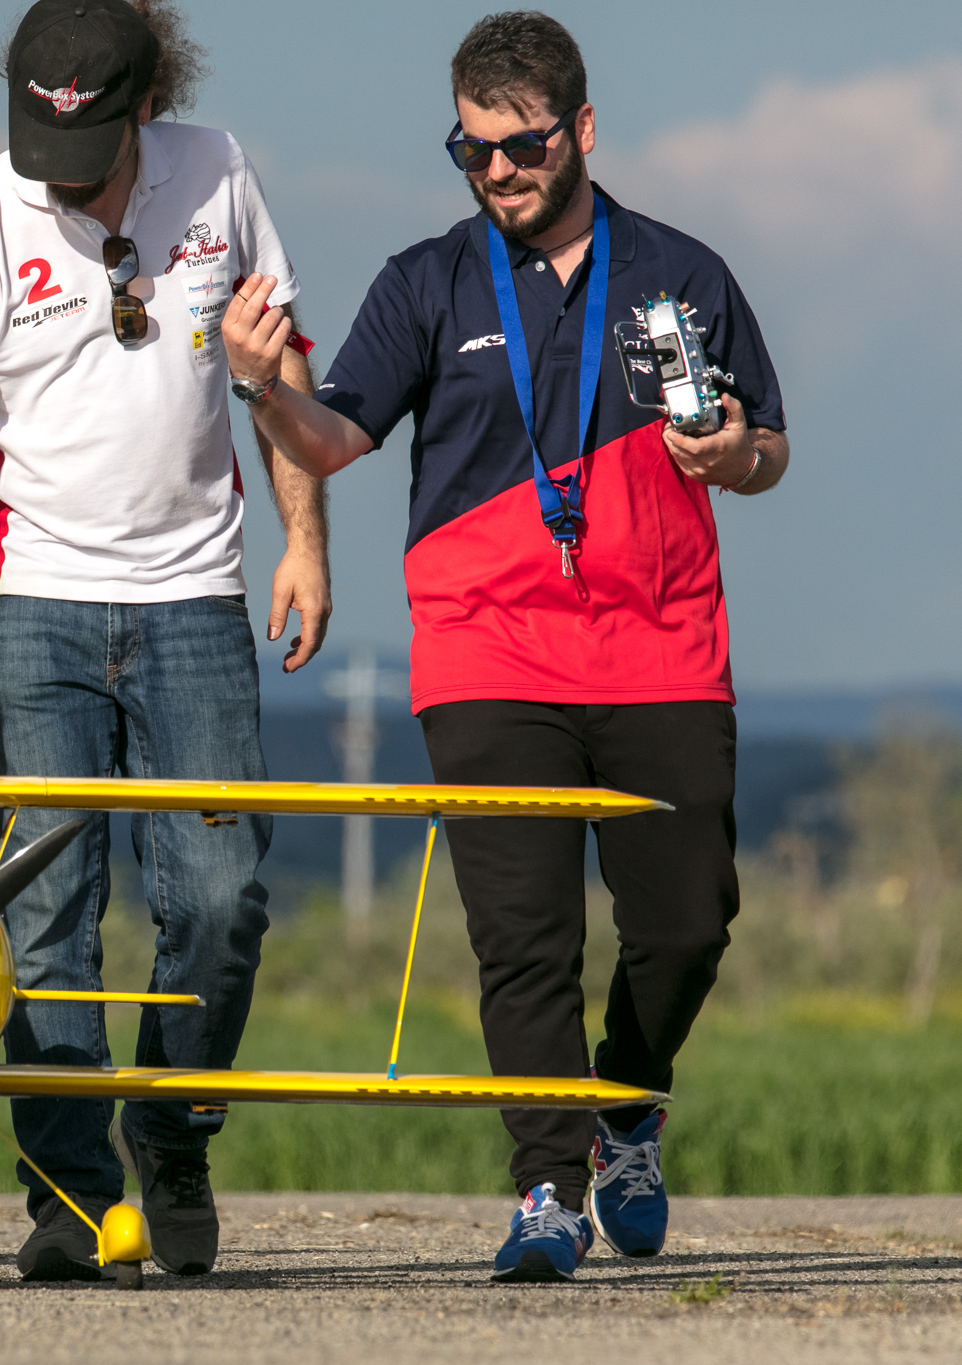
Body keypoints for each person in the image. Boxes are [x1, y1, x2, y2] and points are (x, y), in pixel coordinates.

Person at [222, 11, 787, 1283]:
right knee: (520, 941)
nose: (496, 174)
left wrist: (728, 452)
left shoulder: (681, 272)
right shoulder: (426, 280)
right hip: (485, 654)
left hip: (660, 646)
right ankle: (544, 1185)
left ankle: (626, 1106)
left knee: (687, 926)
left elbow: (767, 453)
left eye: (520, 148)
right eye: (469, 151)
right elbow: (330, 440)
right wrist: (262, 384)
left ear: (578, 131)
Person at [0, 0, 328, 1281]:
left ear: (145, 111)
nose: (53, 180)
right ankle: (67, 1196)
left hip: (194, 596)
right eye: (36, 149)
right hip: (24, 605)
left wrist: (305, 540)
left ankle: (170, 1133)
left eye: (84, 155)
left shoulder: (220, 173)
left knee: (220, 900)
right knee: (44, 915)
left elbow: (275, 369)